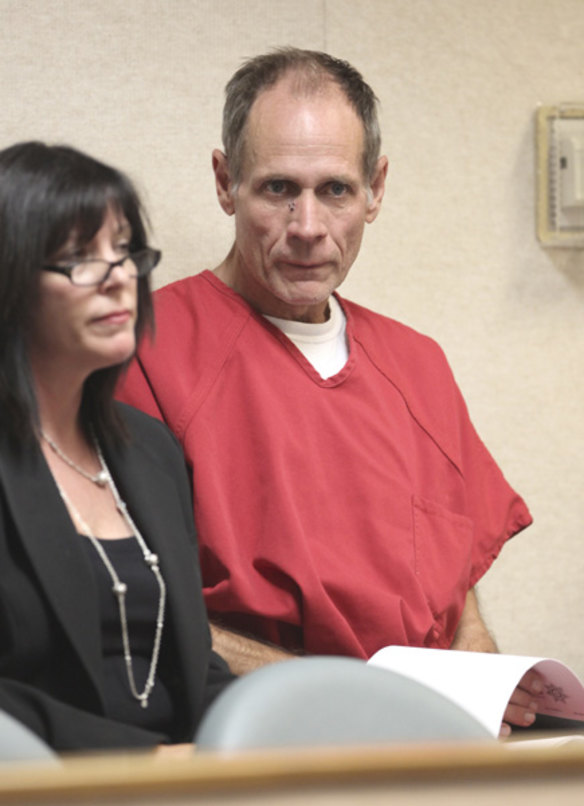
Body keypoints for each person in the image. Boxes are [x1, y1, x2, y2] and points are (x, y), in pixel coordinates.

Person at [118, 49, 539, 732]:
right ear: (225, 182)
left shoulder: (418, 364)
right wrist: (361, 699)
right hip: (258, 742)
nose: (308, 227)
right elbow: (137, 611)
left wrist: (480, 674)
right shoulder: (144, 354)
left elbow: (455, 578)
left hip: (431, 744)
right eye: (279, 188)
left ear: (376, 189)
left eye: (336, 190)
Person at [0, 141, 234, 754]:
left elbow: (189, 664)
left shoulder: (149, 451)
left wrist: (261, 739)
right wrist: (147, 764)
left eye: (125, 250)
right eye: (80, 257)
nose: (120, 276)